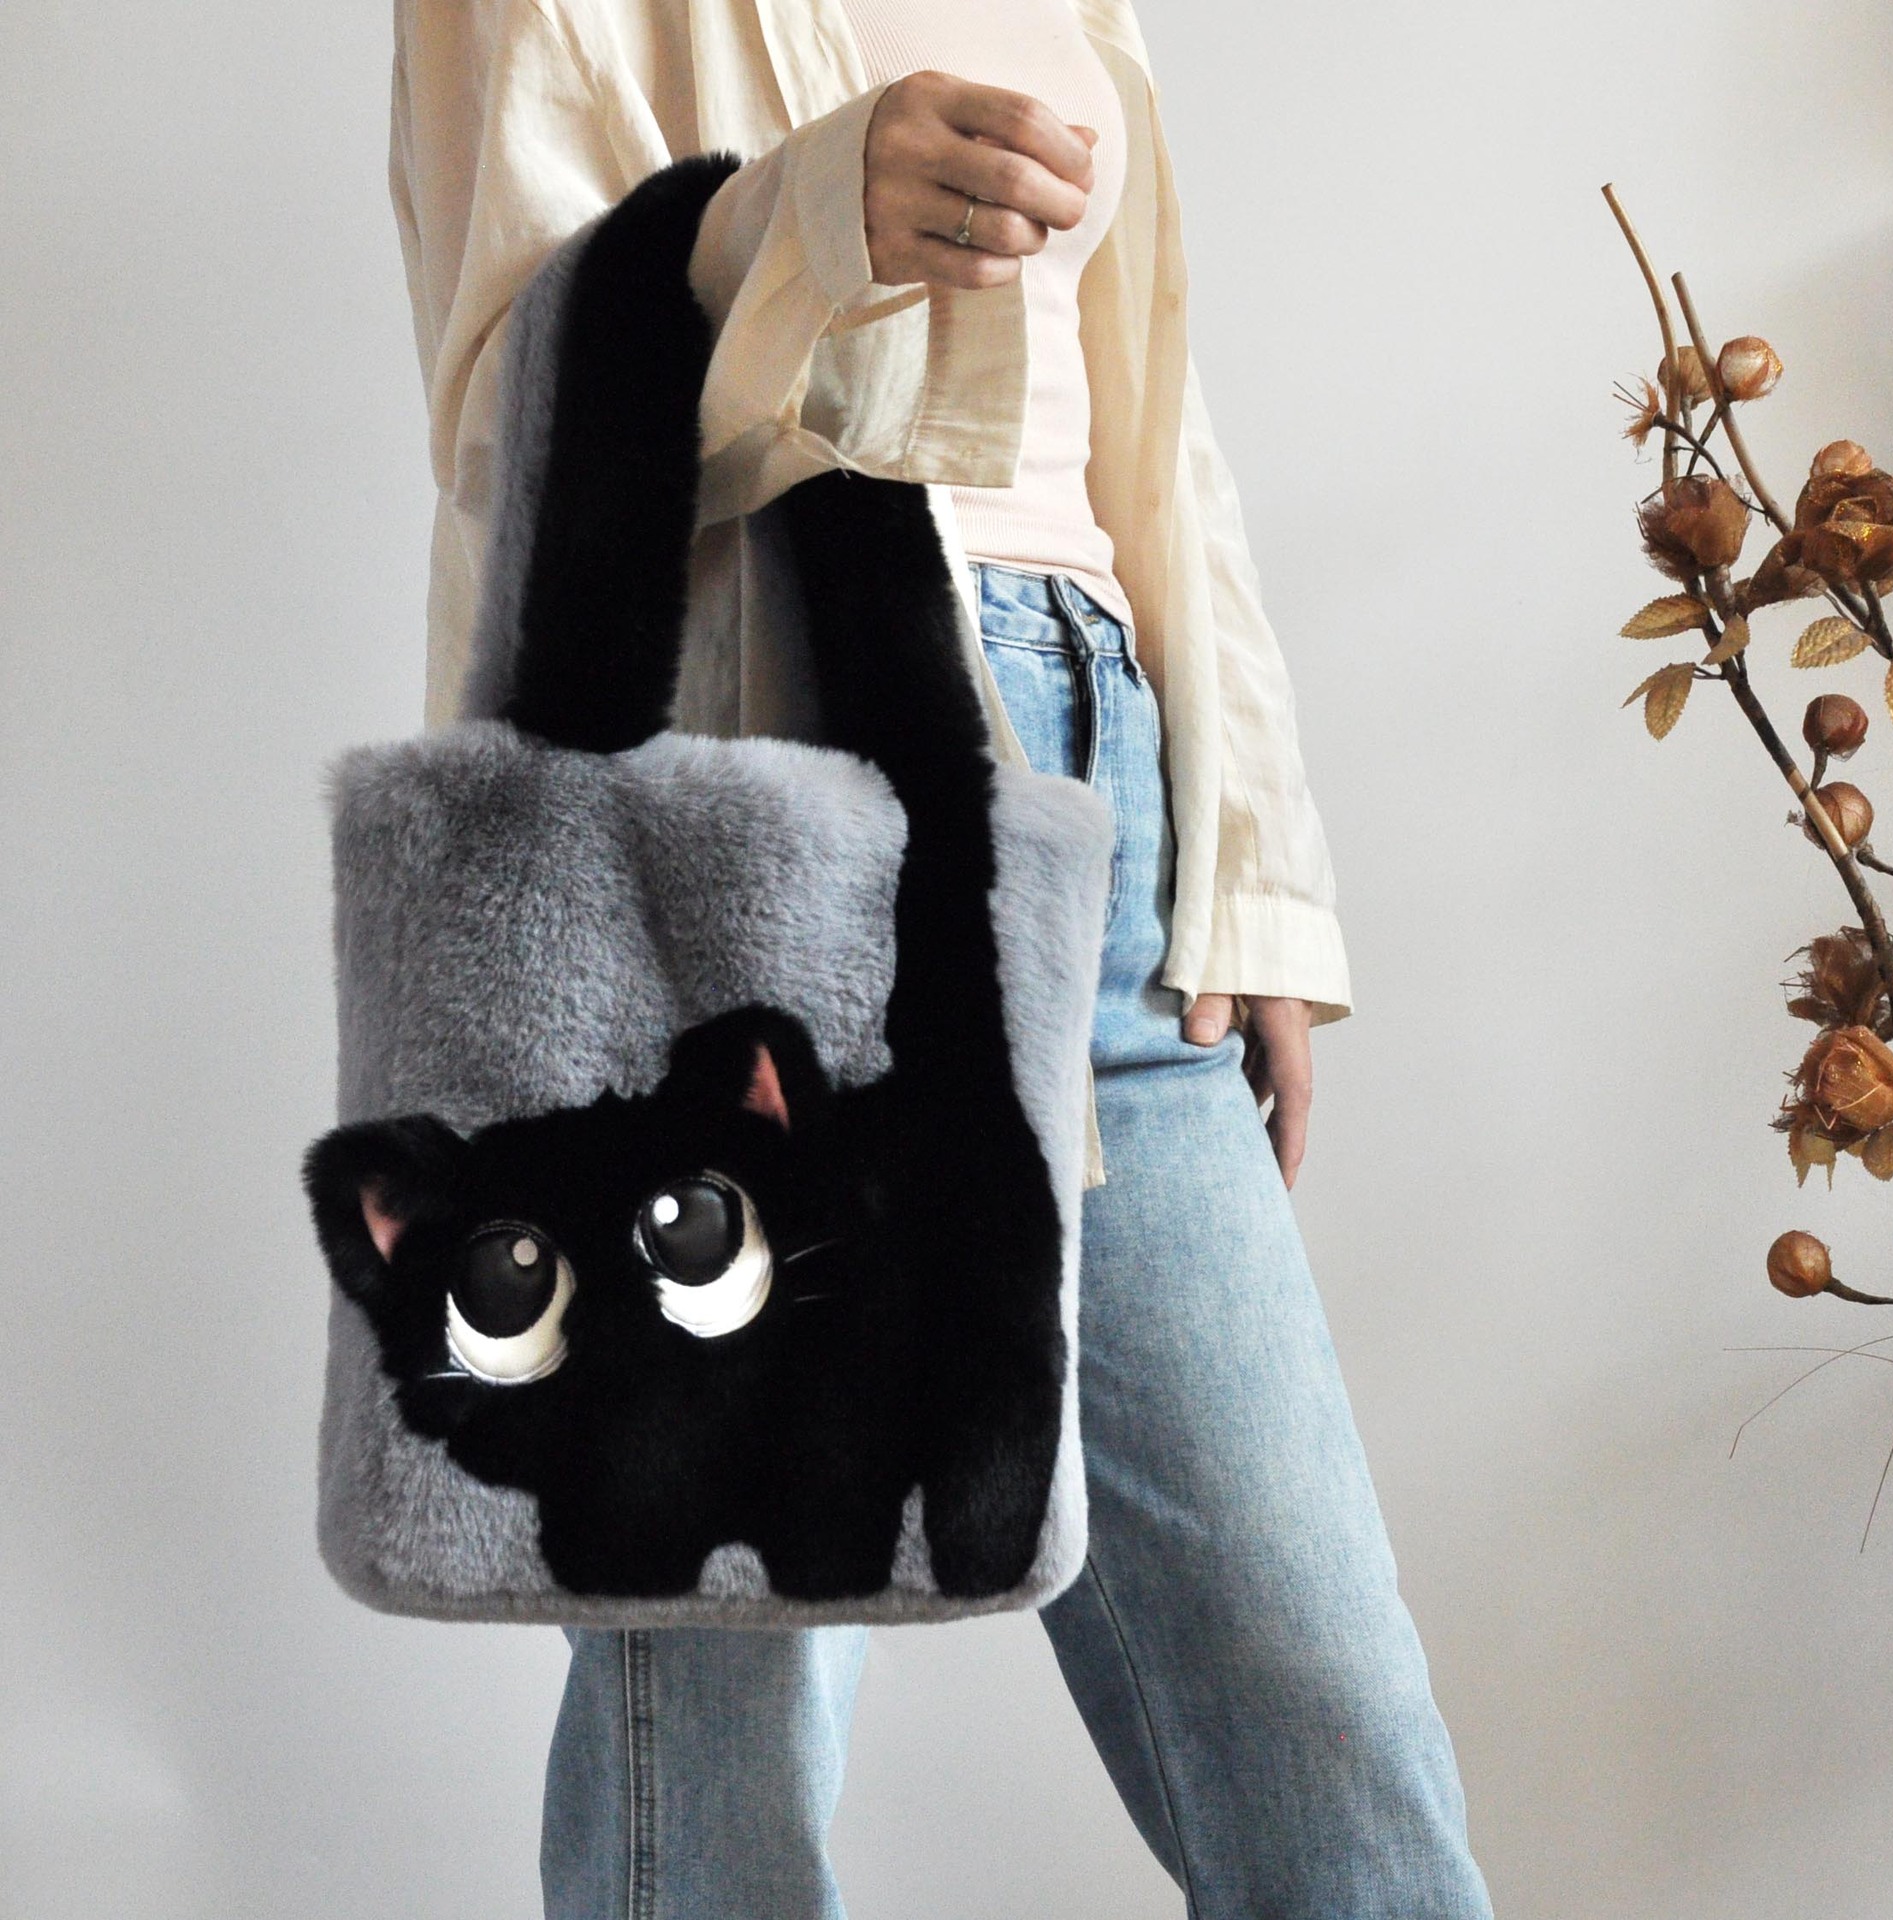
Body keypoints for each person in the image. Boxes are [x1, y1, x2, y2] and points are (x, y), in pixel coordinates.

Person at [388, 1, 1495, 1913]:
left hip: (1099, 808)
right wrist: (802, 214)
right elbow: (512, 419)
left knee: (1319, 1701)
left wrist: (1251, 872)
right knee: (720, 1734)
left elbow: (1158, 432)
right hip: (746, 828)